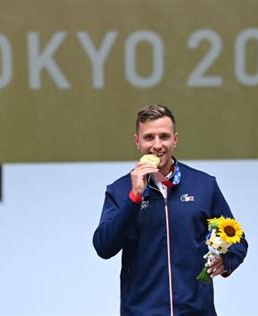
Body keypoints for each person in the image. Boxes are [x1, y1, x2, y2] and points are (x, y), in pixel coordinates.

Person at [93, 104, 248, 316]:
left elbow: (237, 238)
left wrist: (228, 260)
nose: (157, 145)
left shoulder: (203, 185)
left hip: (196, 311)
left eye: (164, 136)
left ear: (175, 139)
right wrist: (134, 197)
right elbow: (104, 246)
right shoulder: (120, 190)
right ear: (137, 141)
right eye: (149, 137)